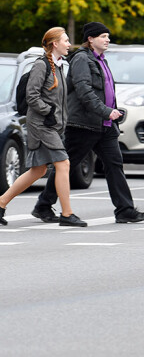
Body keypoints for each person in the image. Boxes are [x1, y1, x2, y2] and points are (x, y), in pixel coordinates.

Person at [31, 22, 144, 224]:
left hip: (104, 125)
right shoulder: (81, 60)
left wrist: (113, 111)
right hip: (83, 125)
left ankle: (125, 210)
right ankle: (43, 206)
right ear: (91, 39)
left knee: (115, 165)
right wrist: (106, 111)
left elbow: (105, 91)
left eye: (108, 36)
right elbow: (84, 91)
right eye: (103, 36)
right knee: (66, 166)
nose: (107, 40)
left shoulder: (102, 60)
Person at [0, 28, 87, 227]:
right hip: (41, 124)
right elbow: (32, 95)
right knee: (63, 164)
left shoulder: (59, 66)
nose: (68, 44)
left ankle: (1, 202)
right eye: (65, 40)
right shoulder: (42, 66)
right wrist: (48, 111)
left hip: (52, 125)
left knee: (38, 170)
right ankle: (67, 214)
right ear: (55, 44)